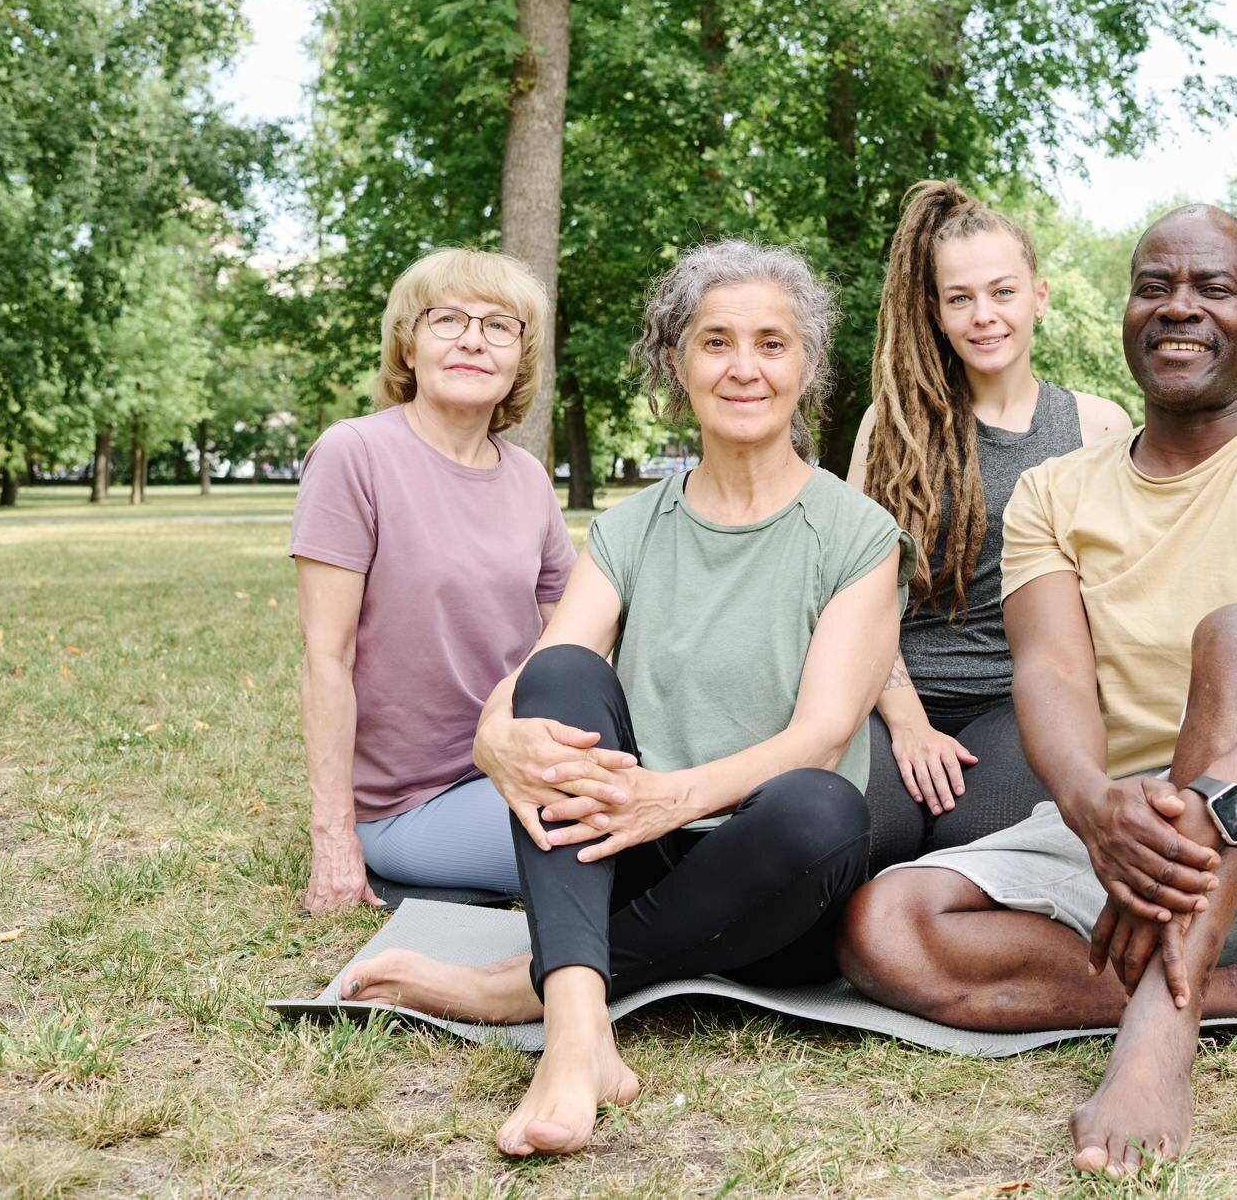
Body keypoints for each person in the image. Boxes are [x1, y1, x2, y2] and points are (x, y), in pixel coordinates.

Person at [838, 205, 1237, 1176]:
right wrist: (1096, 810)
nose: (1177, 308)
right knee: (882, 927)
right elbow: (1052, 672)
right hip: (1127, 832)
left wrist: (1205, 809)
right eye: (1154, 286)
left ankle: (1157, 1034)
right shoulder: (1057, 491)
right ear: (1122, 312)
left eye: (1211, 288)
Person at [336, 241, 915, 1158]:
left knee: (824, 803)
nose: (743, 367)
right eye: (715, 341)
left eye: (771, 343)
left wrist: (669, 796)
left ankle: (523, 986)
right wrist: (496, 735)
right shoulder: (633, 524)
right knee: (562, 682)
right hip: (629, 851)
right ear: (675, 363)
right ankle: (576, 1036)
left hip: (771, 879)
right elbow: (554, 659)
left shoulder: (858, 532)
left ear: (806, 367)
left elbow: (824, 732)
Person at [847, 180, 1131, 870]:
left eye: (1003, 292)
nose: (984, 316)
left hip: (1025, 701)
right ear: (936, 312)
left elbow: (1120, 600)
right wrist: (908, 724)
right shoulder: (893, 428)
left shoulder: (1098, 427)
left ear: (1040, 295)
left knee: (969, 844)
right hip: (896, 695)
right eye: (960, 298)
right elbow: (853, 594)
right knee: (869, 840)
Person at [291, 248, 572, 913]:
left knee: (662, 803)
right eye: (447, 319)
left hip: (513, 761)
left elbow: (572, 623)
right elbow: (325, 658)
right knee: (618, 840)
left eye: (500, 325)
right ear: (407, 347)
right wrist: (333, 838)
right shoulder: (352, 454)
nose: (474, 338)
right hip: (410, 802)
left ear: (519, 359)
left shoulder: (528, 476)